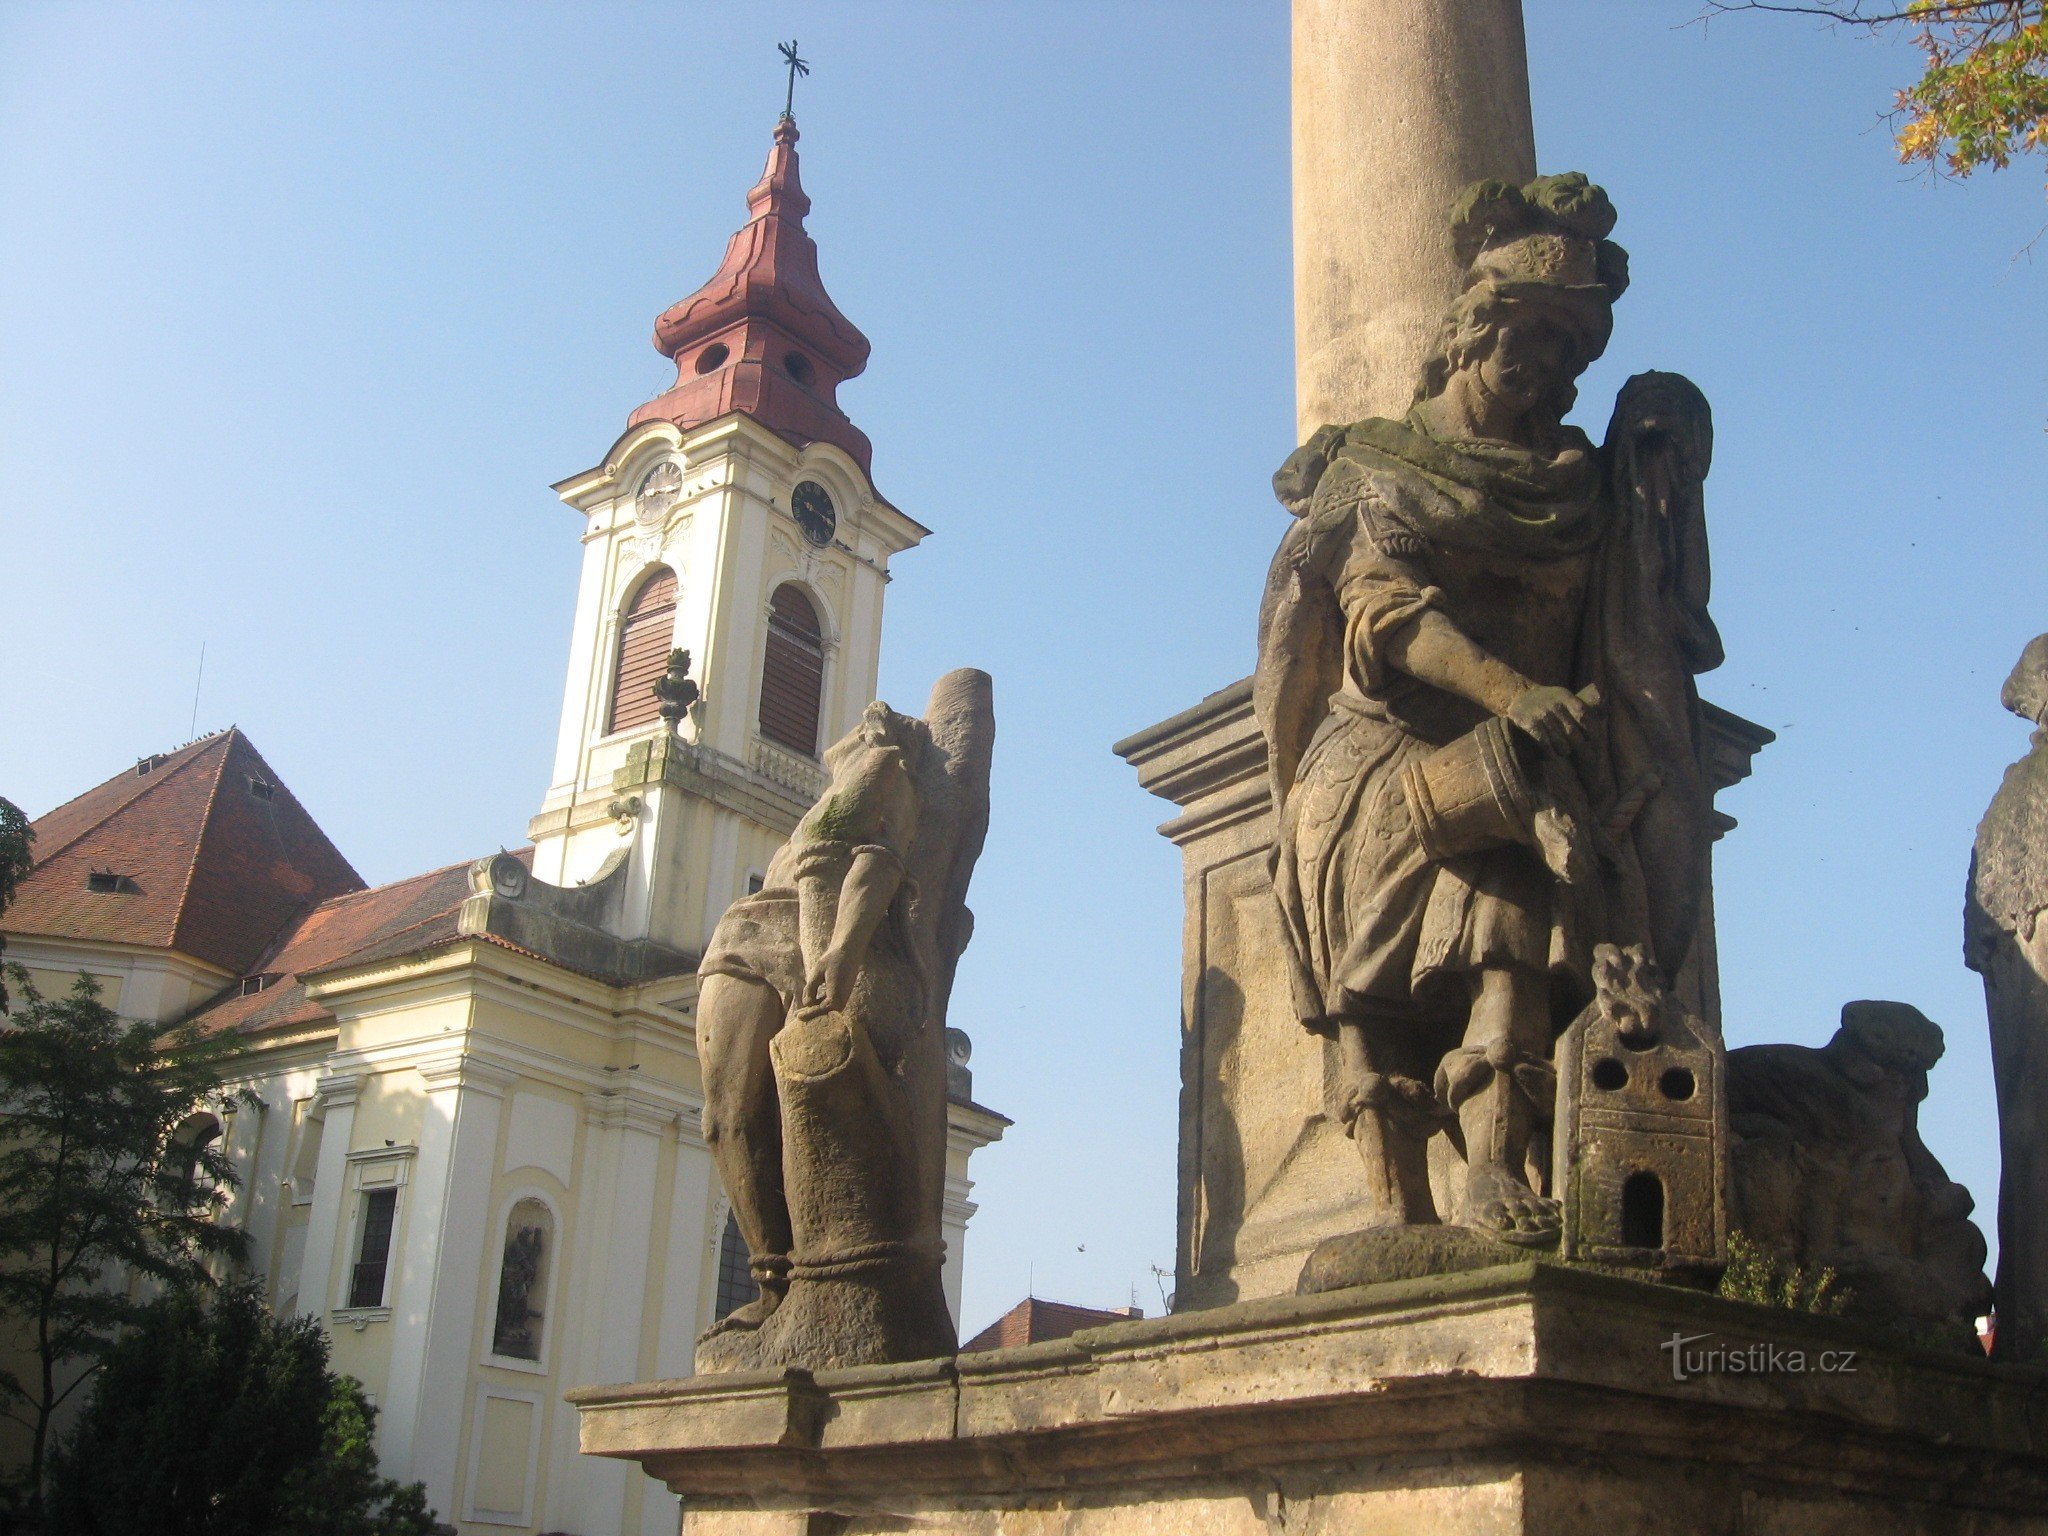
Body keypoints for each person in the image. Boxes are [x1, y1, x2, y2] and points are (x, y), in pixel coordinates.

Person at [1254, 174, 1719, 1243]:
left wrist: (1667, 453)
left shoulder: (1573, 481)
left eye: (1571, 351)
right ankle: (1399, 1192)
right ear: (1467, 332)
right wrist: (1514, 695)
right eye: (1532, 338)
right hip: (1378, 756)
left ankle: (1498, 1168)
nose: (1550, 367)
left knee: (1516, 853)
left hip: (1527, 767)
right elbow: (1383, 617)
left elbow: (1645, 604)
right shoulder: (1380, 466)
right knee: (1499, 851)